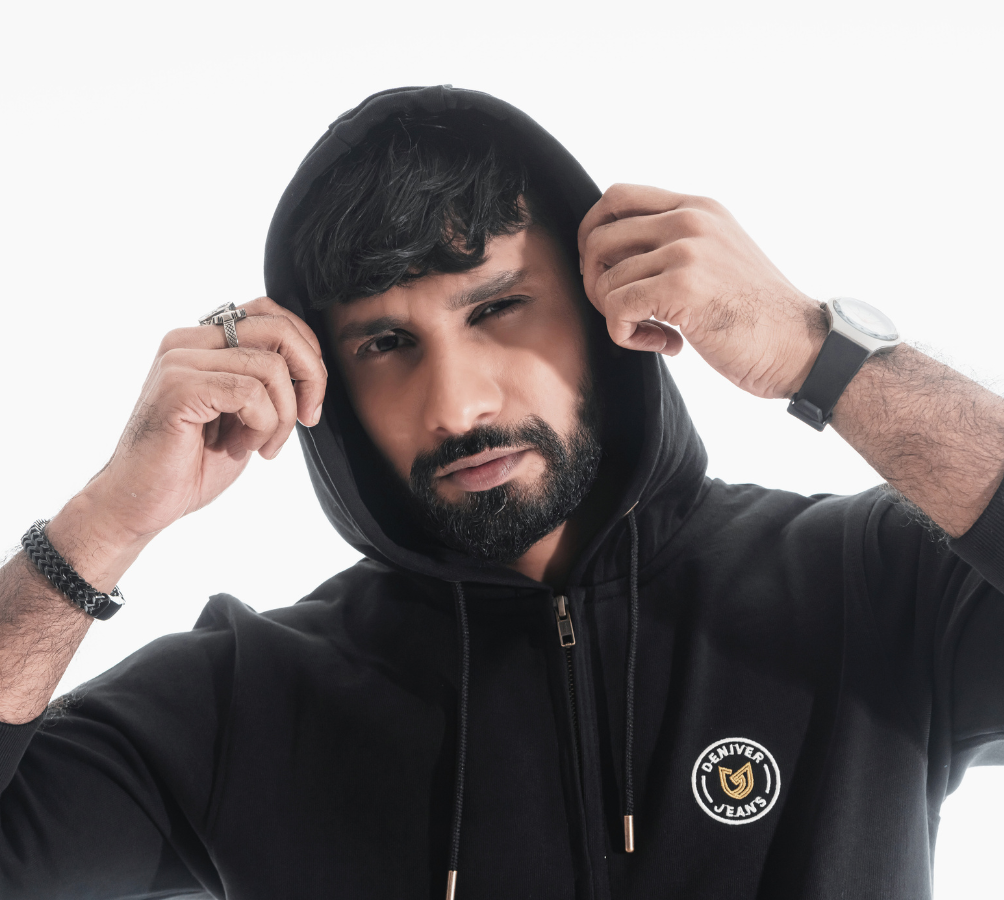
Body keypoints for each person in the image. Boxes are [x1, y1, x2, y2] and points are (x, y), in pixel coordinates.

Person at [1, 85, 1002, 900]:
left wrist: (818, 352)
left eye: (498, 309)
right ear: (326, 385)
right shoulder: (248, 703)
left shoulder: (868, 590)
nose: (456, 405)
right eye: (386, 343)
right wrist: (105, 521)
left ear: (606, 308)